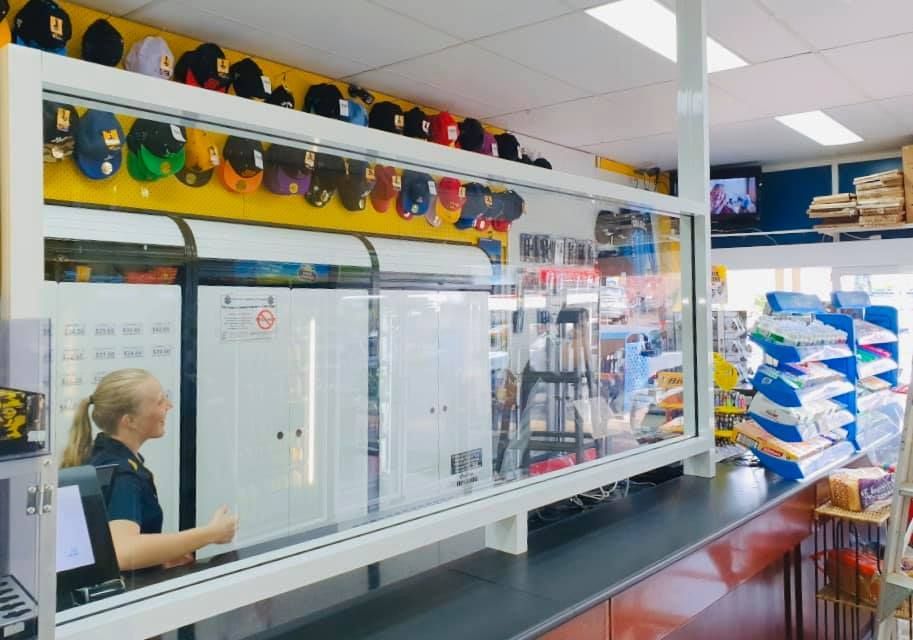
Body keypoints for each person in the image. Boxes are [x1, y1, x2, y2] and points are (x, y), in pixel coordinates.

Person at [61, 368, 238, 571]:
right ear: (130, 421)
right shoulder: (123, 475)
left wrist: (158, 557)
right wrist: (211, 534)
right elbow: (123, 552)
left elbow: (103, 545)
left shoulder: (101, 454)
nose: (169, 406)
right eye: (160, 402)